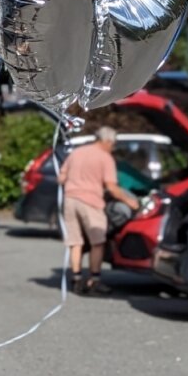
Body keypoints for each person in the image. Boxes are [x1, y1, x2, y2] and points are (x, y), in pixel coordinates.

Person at [57, 125, 140, 294]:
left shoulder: (76, 153)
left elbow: (61, 178)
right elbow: (112, 187)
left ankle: (76, 279)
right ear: (107, 141)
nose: (113, 147)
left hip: (70, 200)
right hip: (90, 202)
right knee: (98, 242)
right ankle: (94, 281)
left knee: (75, 242)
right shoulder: (105, 158)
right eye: (113, 144)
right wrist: (130, 202)